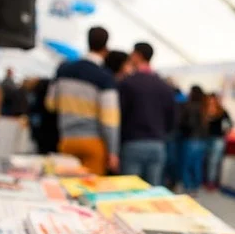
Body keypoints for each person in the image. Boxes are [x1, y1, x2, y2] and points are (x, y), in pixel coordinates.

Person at [46, 26, 120, 175]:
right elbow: (110, 120)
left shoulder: (64, 70)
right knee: (91, 186)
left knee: (66, 184)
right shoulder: (105, 77)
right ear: (105, 48)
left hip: (67, 139)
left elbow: (50, 104)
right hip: (93, 142)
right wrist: (113, 152)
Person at [118, 42, 176, 186]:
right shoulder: (165, 86)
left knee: (130, 189)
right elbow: (172, 118)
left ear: (138, 55)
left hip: (133, 142)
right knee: (152, 190)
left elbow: (119, 115)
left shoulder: (128, 83)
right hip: (157, 143)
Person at [179, 85, 208, 194]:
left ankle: (187, 187)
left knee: (186, 165)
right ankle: (195, 186)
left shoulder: (189, 107)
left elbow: (187, 123)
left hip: (190, 139)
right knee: (197, 165)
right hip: (202, 140)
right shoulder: (204, 107)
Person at [205, 93, 232, 189]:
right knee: (208, 161)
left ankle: (211, 181)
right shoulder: (204, 111)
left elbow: (228, 125)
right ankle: (207, 179)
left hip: (218, 139)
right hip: (206, 139)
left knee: (214, 161)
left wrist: (225, 131)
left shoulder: (222, 112)